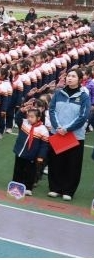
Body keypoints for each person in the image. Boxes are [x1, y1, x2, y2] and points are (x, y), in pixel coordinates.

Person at [47, 68, 91, 201]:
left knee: (73, 164)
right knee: (56, 162)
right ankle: (55, 188)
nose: (69, 78)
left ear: (79, 79)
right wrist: (57, 126)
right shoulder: (59, 93)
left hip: (75, 136)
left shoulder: (83, 97)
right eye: (68, 76)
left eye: (73, 76)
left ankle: (68, 191)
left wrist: (67, 128)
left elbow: (83, 116)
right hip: (58, 133)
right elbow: (52, 110)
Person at [12, 107, 49, 196]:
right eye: (28, 116)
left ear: (38, 118)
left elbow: (44, 146)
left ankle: (28, 187)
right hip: (20, 153)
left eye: (32, 117)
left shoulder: (43, 130)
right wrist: (21, 111)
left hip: (32, 155)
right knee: (18, 170)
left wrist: (41, 156)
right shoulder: (24, 123)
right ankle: (15, 186)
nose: (29, 118)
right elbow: (17, 118)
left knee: (30, 172)